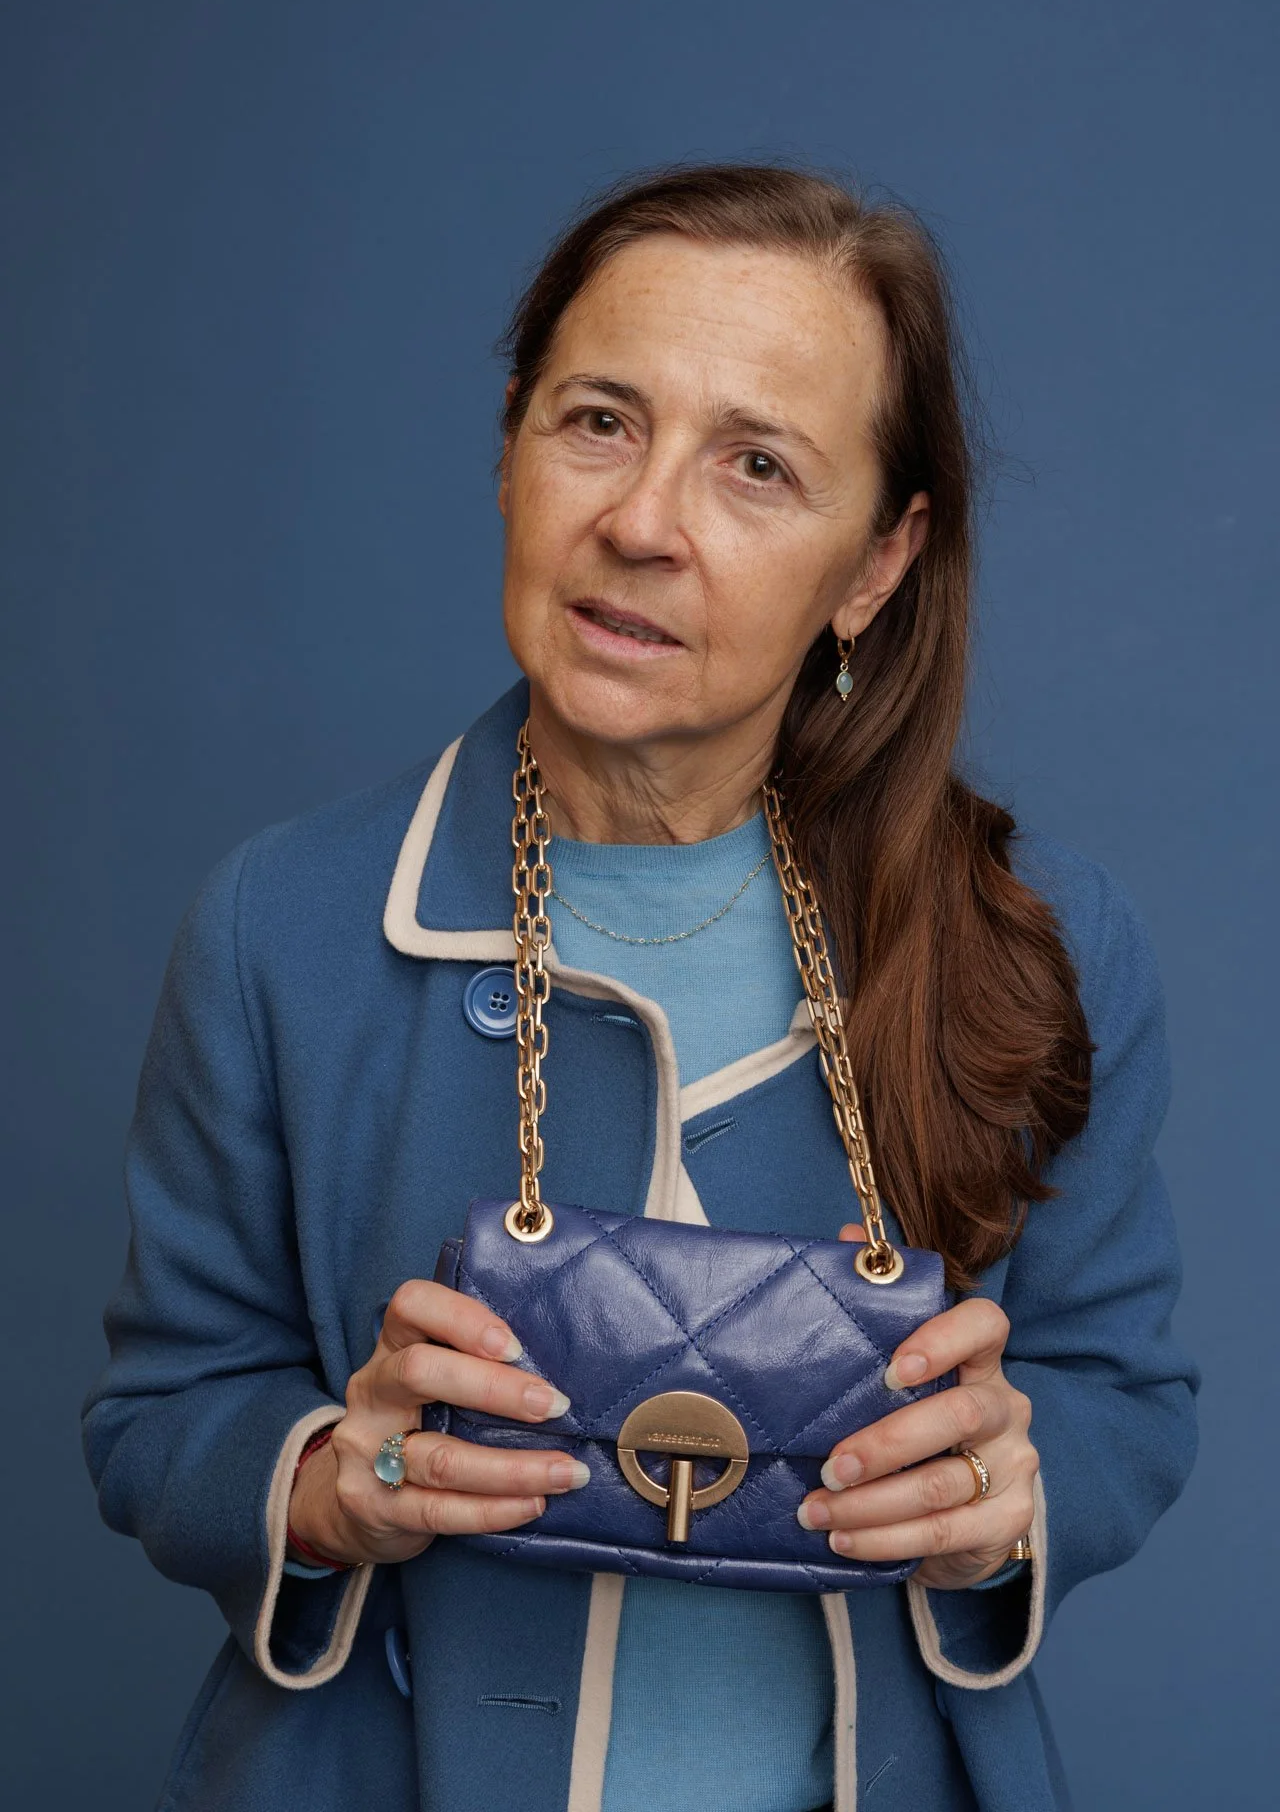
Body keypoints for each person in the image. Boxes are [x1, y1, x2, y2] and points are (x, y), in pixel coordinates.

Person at [81, 162, 1198, 1812]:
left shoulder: (1045, 938)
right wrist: (331, 1477)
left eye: (757, 465)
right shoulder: (281, 927)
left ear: (876, 567)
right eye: (598, 420)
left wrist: (1007, 1493)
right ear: (510, 445)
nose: (643, 522)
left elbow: (1119, 1392)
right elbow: (163, 1407)